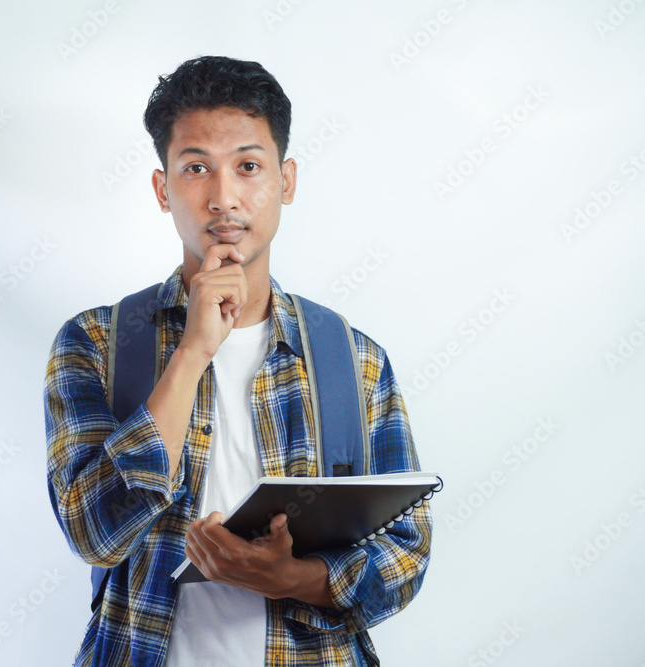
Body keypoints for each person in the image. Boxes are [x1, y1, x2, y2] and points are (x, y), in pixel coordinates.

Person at [45, 55, 432, 667]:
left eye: (248, 166)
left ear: (287, 180)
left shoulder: (354, 360)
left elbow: (406, 553)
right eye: (196, 168)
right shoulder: (96, 343)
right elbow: (94, 534)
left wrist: (296, 579)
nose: (223, 198)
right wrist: (193, 351)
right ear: (163, 189)